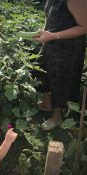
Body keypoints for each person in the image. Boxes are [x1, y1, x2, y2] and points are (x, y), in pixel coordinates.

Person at [34, 0, 87, 130]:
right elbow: (51, 16)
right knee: (42, 69)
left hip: (67, 47)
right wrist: (44, 32)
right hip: (50, 41)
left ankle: (57, 116)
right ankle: (48, 103)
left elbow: (84, 27)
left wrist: (53, 36)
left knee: (60, 79)